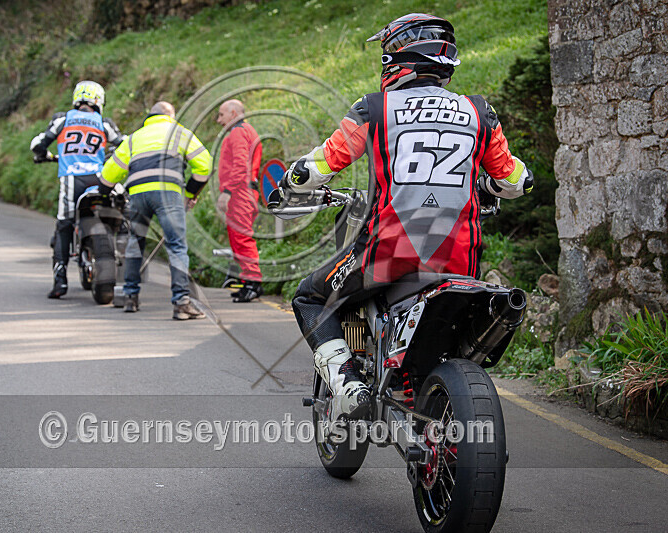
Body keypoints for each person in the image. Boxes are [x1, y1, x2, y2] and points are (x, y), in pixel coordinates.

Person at [281, 13, 534, 420]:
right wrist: (485, 188)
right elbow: (518, 181)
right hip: (459, 257)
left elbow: (320, 166)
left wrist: (291, 181)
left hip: (392, 250)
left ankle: (347, 385)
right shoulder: (479, 112)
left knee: (309, 297)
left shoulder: (374, 109)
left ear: (399, 57)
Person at [100, 101, 212, 320]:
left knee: (135, 241)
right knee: (176, 246)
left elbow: (107, 177)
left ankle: (131, 297)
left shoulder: (134, 138)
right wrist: (190, 194)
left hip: (138, 195)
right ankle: (181, 303)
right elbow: (204, 165)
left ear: (149, 117)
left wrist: (105, 191)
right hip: (168, 193)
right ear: (171, 115)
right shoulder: (180, 133)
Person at [30, 80, 123, 299]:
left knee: (64, 225)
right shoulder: (103, 122)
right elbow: (122, 143)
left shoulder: (63, 119)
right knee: (119, 207)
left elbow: (38, 144)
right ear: (99, 101)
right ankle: (124, 242)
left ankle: (60, 281)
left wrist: (42, 155)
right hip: (100, 179)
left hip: (72, 180)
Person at [216, 99, 264, 302]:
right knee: (238, 239)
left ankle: (253, 283)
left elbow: (240, 164)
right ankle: (247, 282)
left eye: (221, 115)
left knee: (242, 239)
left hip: (239, 193)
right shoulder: (246, 131)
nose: (219, 120)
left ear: (233, 113)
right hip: (244, 192)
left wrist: (227, 191)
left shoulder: (238, 132)